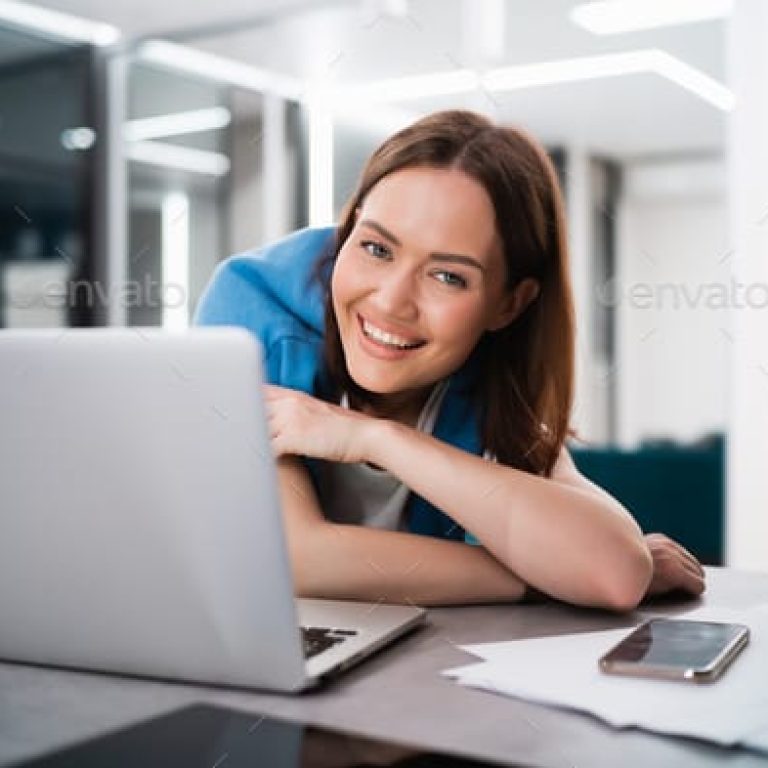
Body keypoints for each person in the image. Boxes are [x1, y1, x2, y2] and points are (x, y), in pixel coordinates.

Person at [194, 110, 705, 610]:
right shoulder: (252, 309)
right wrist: (538, 577)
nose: (392, 301)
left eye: (448, 277)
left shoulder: (482, 374)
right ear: (347, 231)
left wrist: (372, 437)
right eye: (376, 247)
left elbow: (613, 572)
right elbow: (293, 557)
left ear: (509, 304)